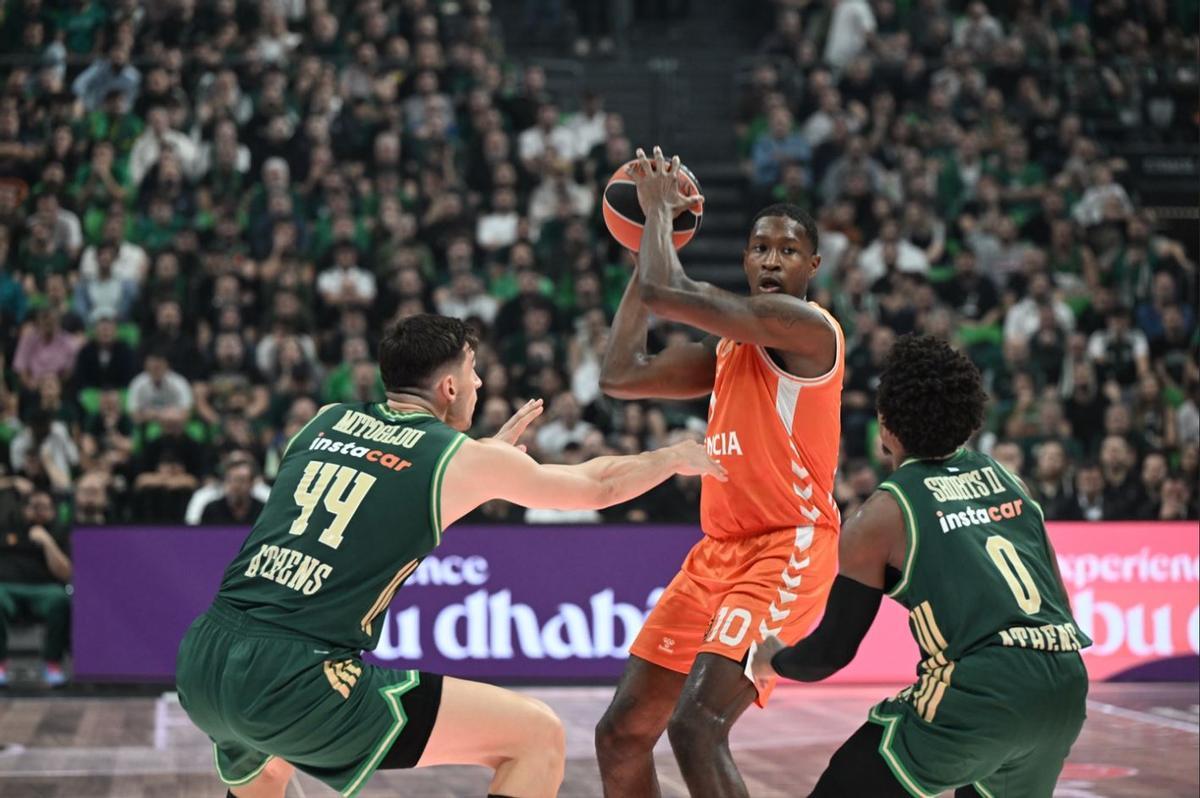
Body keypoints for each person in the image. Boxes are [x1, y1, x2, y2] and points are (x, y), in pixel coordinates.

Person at [175, 313, 725, 798]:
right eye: (471, 371)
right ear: (447, 386)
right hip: (296, 676)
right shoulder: (457, 458)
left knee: (267, 770)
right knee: (536, 738)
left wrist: (484, 464)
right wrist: (671, 456)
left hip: (205, 660)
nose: (479, 382)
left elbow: (377, 482)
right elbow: (597, 485)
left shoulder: (323, 419)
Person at [595, 147, 844, 796]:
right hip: (717, 554)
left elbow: (668, 292)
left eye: (788, 251)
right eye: (759, 248)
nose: (770, 260)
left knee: (697, 726)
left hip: (787, 547)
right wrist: (644, 242)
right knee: (620, 733)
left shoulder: (808, 327)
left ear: (812, 267)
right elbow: (619, 374)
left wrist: (655, 218)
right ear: (744, 259)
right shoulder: (728, 350)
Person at [751, 335, 1090, 797]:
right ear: (966, 419)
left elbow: (830, 653)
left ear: (885, 425)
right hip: (1064, 681)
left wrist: (773, 660)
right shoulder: (1007, 479)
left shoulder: (880, 516)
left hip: (983, 687)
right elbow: (1059, 600)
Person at [0, 491, 73, 688]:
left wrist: (47, 542)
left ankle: (52, 663)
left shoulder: (60, 532)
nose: (39, 512)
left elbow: (66, 574)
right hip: (6, 588)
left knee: (61, 599)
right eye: (34, 506)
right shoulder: (7, 529)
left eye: (45, 507)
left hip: (44, 589)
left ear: (53, 511)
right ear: (24, 509)